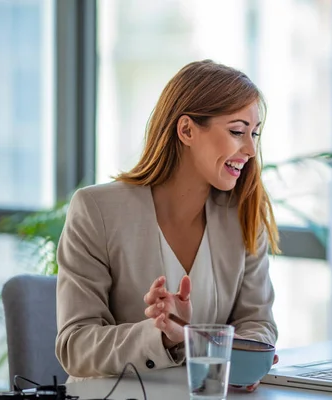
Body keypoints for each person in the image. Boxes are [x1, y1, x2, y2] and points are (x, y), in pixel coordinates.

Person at [55, 60, 279, 391]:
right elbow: (75, 346)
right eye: (236, 131)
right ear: (186, 130)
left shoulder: (243, 214)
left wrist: (243, 357)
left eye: (254, 134)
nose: (249, 149)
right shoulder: (96, 210)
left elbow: (257, 322)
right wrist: (161, 335)